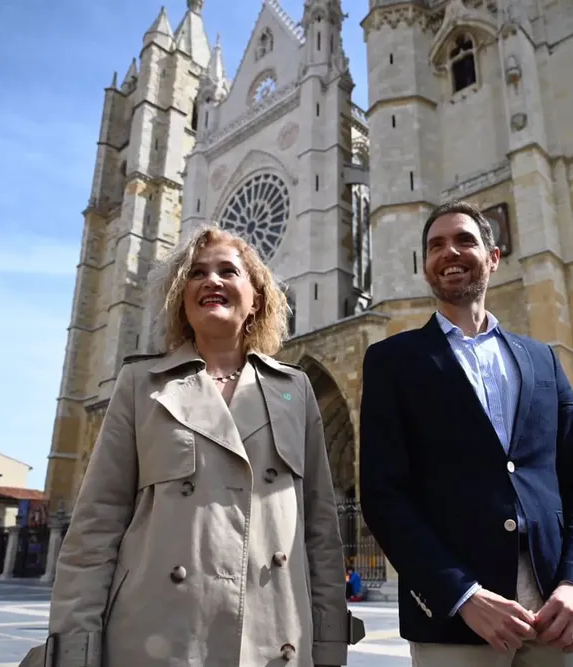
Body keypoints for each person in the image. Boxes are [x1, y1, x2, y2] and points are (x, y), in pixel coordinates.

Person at [21, 226, 360, 667]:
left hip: (273, 641)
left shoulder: (294, 391)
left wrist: (330, 647)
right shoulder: (141, 386)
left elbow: (320, 533)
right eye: (197, 273)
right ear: (182, 297)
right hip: (156, 639)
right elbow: (95, 527)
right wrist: (76, 649)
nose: (211, 280)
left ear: (256, 297)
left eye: (228, 271)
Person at [359, 200, 573, 667]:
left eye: (464, 240)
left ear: (493, 257)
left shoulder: (543, 359)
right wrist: (461, 594)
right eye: (435, 246)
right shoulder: (392, 360)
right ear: (425, 266)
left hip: (558, 612)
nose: (449, 252)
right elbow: (383, 494)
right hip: (456, 618)